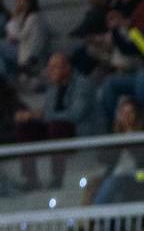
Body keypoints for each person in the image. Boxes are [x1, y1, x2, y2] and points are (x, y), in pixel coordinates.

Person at [12, 53, 100, 191]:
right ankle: (31, 180)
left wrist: (41, 116)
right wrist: (32, 116)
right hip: (54, 130)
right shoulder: (53, 87)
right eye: (50, 68)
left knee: (57, 126)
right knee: (25, 126)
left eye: (55, 67)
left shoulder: (83, 84)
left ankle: (57, 178)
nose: (50, 71)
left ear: (67, 68)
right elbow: (48, 112)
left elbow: (75, 114)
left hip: (77, 131)